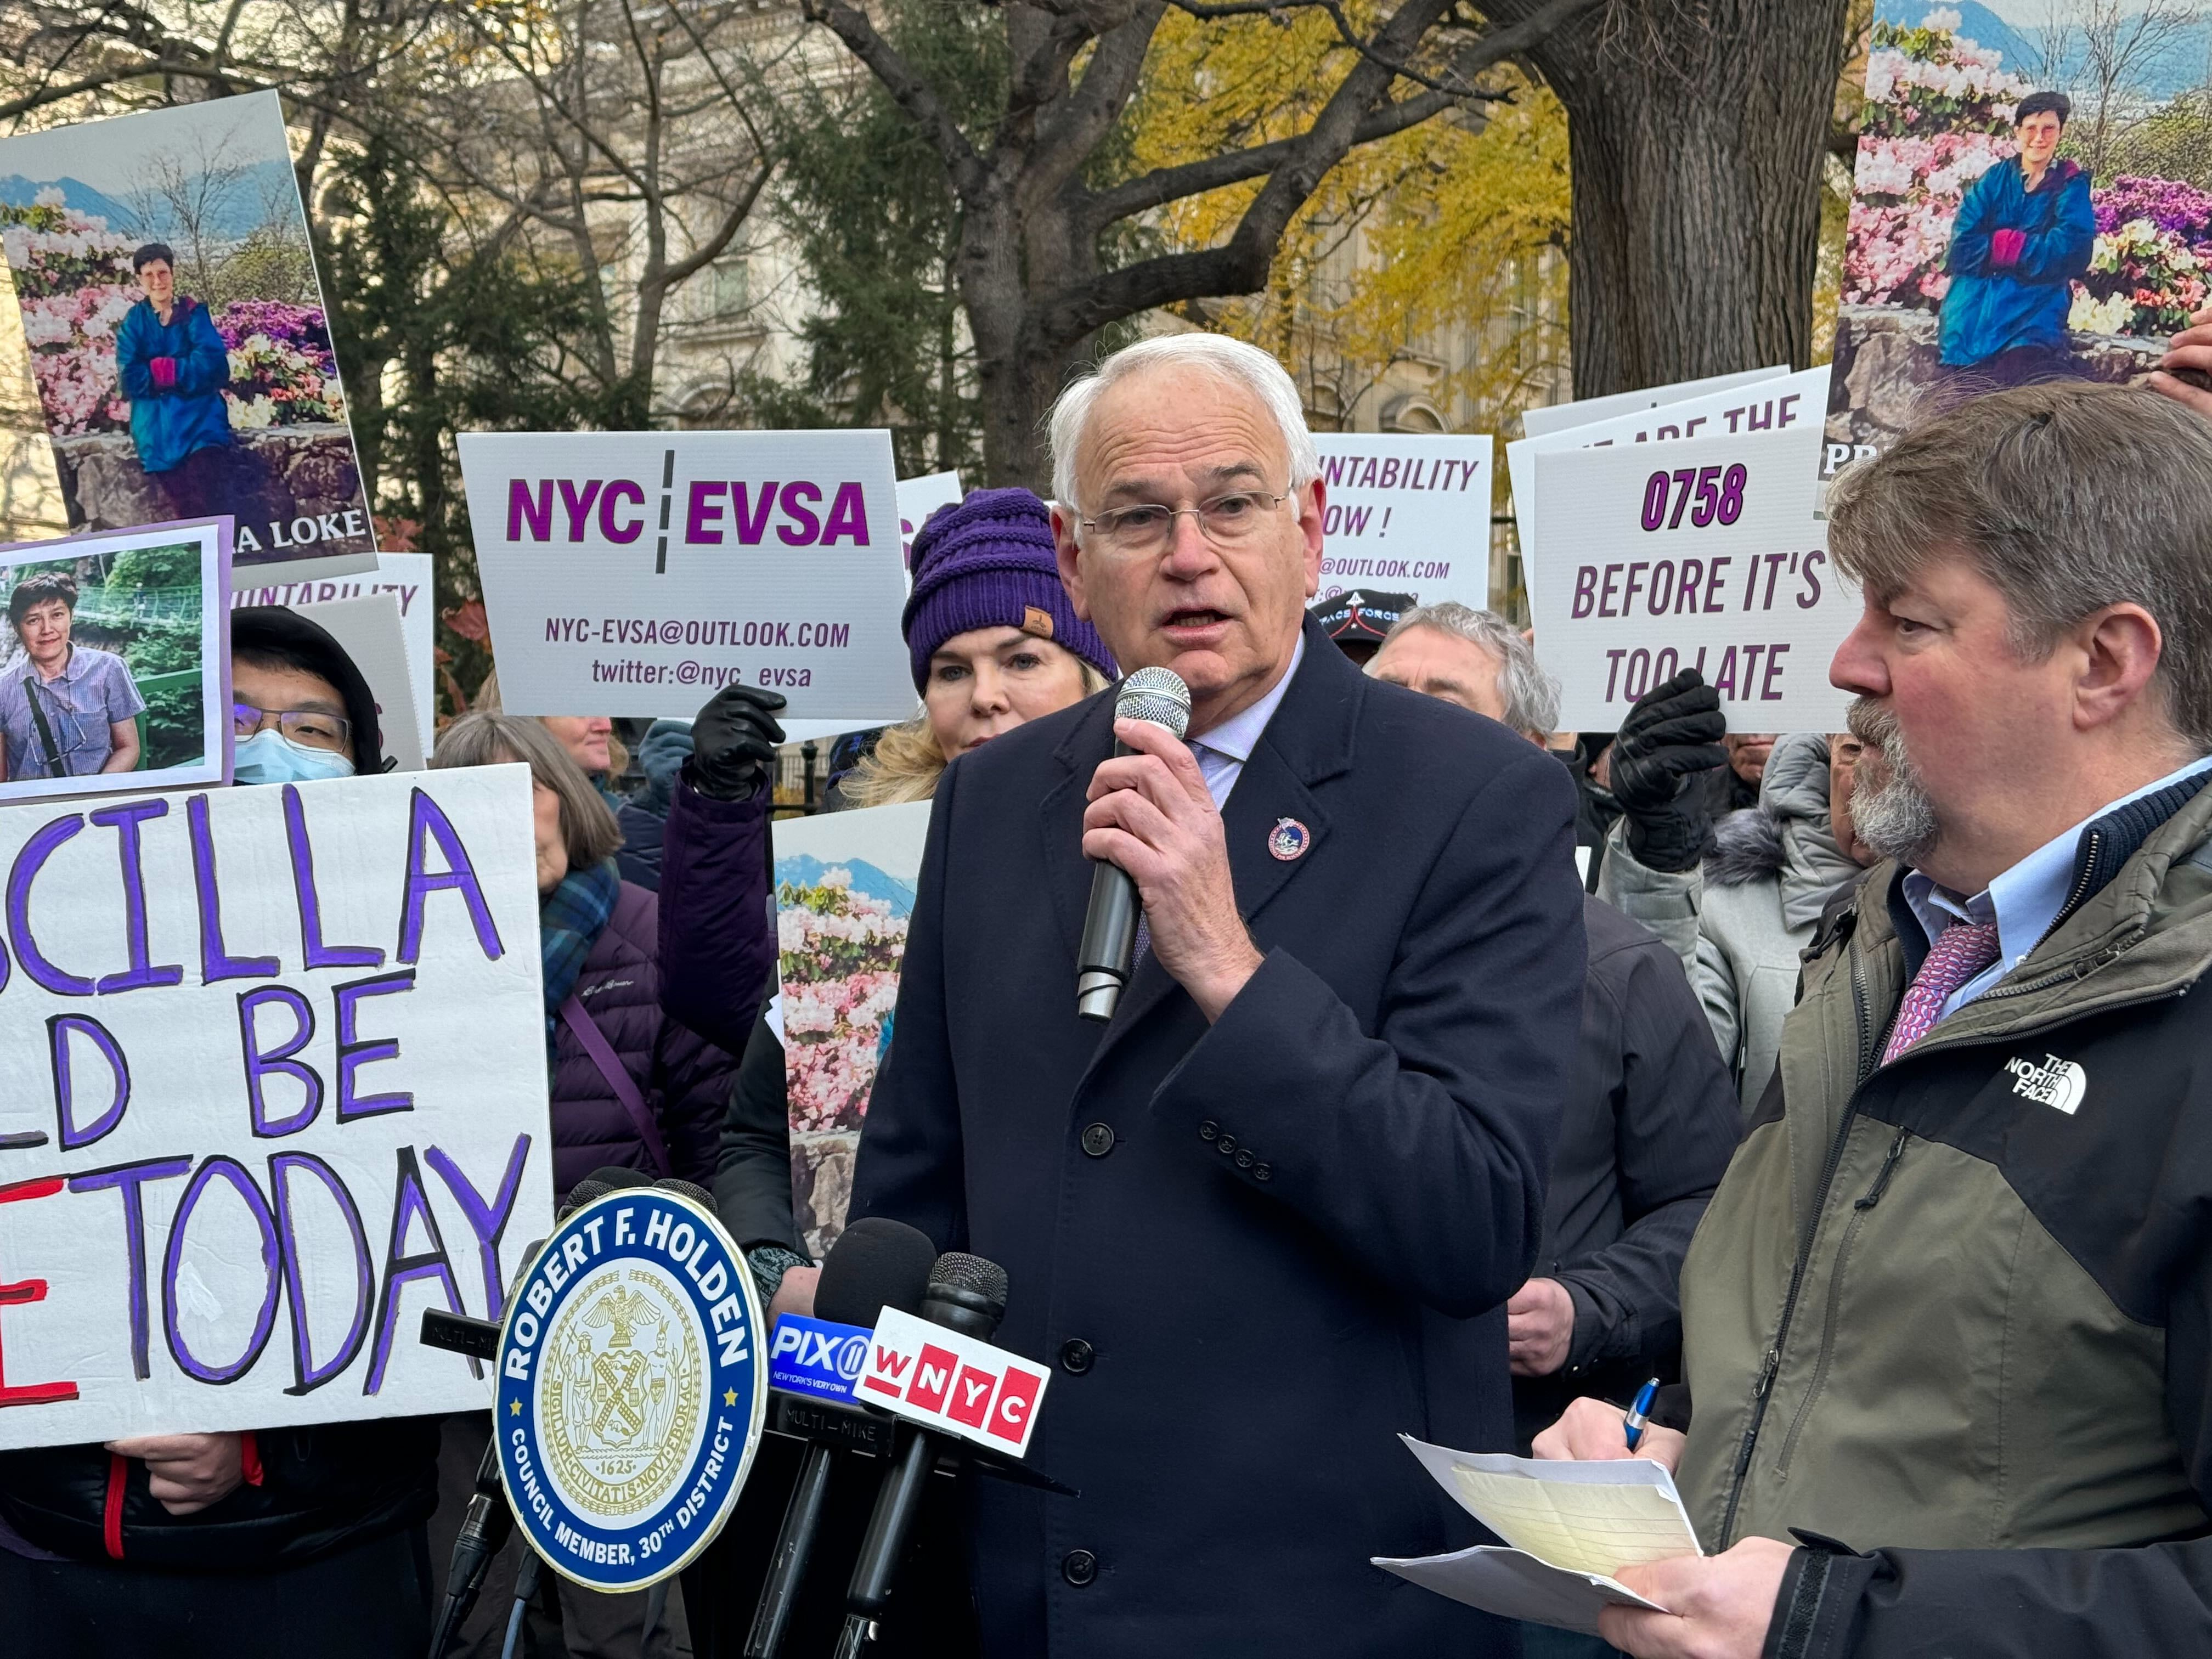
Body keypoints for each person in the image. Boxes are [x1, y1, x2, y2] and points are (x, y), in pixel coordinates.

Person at [849, 332, 1586, 1655]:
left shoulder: (1475, 796)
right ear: (1074, 561)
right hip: (1039, 1594)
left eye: (1233, 504)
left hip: (1327, 1607)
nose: (1190, 555)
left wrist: (1226, 966)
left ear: (1308, 526)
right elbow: (920, 1192)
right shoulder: (992, 801)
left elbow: (1474, 1220)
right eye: (1138, 517)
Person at [1537, 382, 2212, 1658]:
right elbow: (1861, 1375)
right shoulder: (1893, 939)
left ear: (2105, 662)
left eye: (1909, 622)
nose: (1846, 666)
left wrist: (1829, 1623)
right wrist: (1673, 1443)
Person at [668, 487, 1113, 1659]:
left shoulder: (1152, 864)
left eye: (1022, 657)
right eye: (951, 669)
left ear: (1096, 669)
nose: (984, 696)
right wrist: (777, 1268)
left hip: (1052, 1413)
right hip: (849, 1403)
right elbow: (756, 1131)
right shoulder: (856, 876)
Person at [0, 606, 436, 1659]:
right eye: (238, 720)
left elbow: (432, 1288)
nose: (273, 748)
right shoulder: (29, 953)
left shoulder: (430, 980)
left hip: (312, 1566)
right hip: (53, 1554)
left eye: (313, 729)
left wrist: (261, 1447)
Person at [1364, 606, 1737, 1491]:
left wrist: (1587, 1307)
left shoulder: (1620, 971)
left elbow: (1714, 1207)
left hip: (1524, 1467)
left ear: (1528, 754)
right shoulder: (1257, 947)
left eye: (1444, 700)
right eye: (1381, 697)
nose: (1403, 722)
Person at [428, 710, 737, 1659]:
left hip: (616, 1348)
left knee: (623, 1630)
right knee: (476, 1625)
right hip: (467, 1351)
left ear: (568, 796)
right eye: (470, 799)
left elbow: (719, 1146)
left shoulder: (652, 936)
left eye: (523, 787)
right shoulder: (418, 961)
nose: (506, 815)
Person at [1599, 695, 1874, 1114]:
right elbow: (1661, 1068)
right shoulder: (1730, 907)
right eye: (1853, 748)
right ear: (1825, 752)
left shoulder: (1975, 916)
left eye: (1897, 746)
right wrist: (1654, 863)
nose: (1870, 775)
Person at [1939, 91, 2095, 384]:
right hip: (1973, 311)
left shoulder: (2070, 185)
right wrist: (2024, 248)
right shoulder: (1994, 180)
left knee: (2014, 385)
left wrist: (2006, 247)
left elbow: (2073, 251)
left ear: (2061, 132)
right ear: (2018, 132)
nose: (2039, 138)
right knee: (1959, 393)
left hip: (2034, 310)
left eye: (2049, 129)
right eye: (2031, 128)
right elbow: (1961, 248)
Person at [112, 243, 242, 519]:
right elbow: (129, 378)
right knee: (185, 509)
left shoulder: (194, 314)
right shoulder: (134, 323)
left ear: (172, 274)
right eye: (149, 275)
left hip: (201, 422)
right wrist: (183, 368)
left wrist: (158, 369)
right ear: (139, 279)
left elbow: (214, 367)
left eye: (163, 273)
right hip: (156, 429)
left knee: (209, 498)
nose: (157, 281)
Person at [0, 570, 143, 781]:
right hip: (33, 801)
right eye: (33, 620)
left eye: (57, 615)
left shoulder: (109, 668)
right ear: (17, 628)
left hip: (94, 800)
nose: (47, 629)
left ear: (71, 617)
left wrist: (93, 792)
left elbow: (129, 747)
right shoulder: (3, 688)